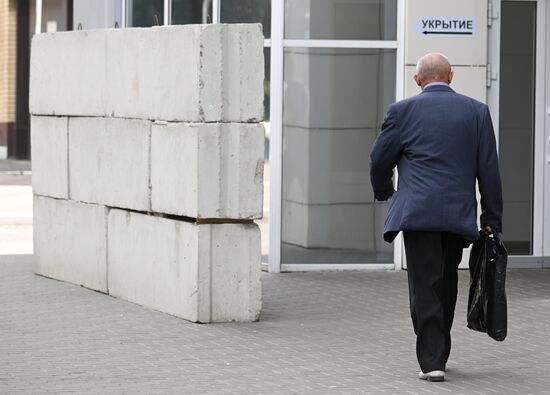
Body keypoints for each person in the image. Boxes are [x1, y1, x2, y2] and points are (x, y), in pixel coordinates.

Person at [369, 53, 503, 382]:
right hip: (457, 216)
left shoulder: (401, 112)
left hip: (418, 214)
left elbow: (379, 160)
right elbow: (489, 171)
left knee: (423, 286)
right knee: (445, 283)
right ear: (451, 76)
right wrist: (491, 218)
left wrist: (385, 190)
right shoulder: (477, 112)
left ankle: (432, 359)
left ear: (418, 80)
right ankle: (439, 351)